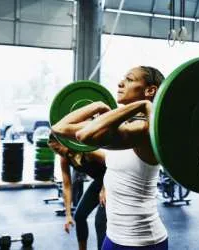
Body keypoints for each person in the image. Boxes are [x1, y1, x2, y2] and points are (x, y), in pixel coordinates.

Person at [52, 66, 168, 250]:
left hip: (141, 242)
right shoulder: (126, 129)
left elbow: (85, 135)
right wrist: (97, 105)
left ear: (150, 90)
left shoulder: (143, 131)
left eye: (129, 79)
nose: (120, 83)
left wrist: (141, 106)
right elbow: (59, 127)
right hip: (113, 238)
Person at [48, 134, 107, 250]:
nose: (58, 153)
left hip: (113, 178)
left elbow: (111, 164)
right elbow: (67, 186)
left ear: (65, 142)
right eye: (55, 151)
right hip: (99, 181)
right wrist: (68, 214)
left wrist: (105, 188)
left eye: (57, 149)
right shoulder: (65, 158)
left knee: (100, 221)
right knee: (79, 216)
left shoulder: (86, 151)